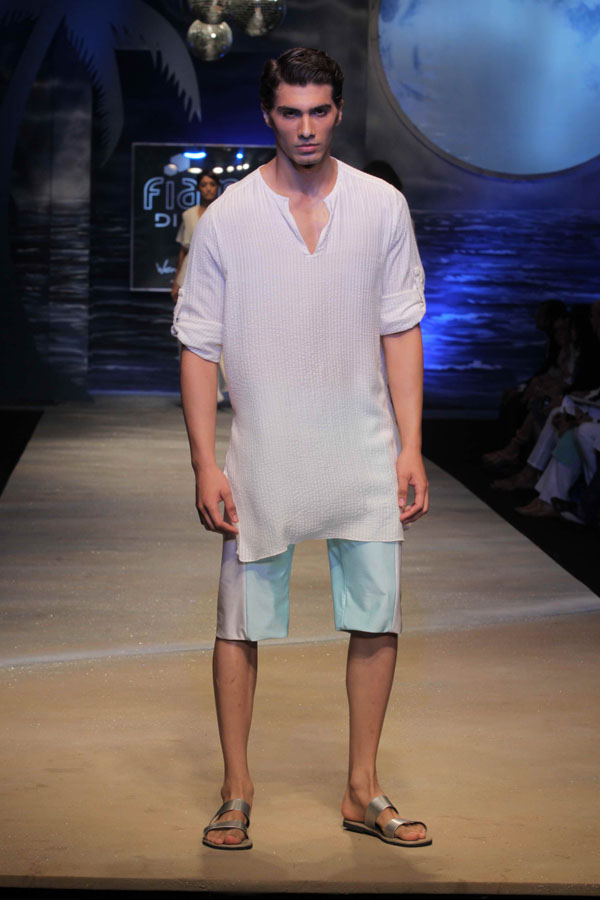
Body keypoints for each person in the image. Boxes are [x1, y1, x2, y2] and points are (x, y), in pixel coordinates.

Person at [172, 47, 430, 851]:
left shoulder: (382, 206)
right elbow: (198, 345)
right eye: (291, 112)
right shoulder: (229, 218)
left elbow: (401, 329)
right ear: (268, 115)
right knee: (238, 622)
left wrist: (411, 447)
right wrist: (205, 462)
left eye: (319, 111)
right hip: (266, 449)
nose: (307, 127)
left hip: (363, 443)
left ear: (338, 111)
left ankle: (362, 788)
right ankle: (235, 790)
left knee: (377, 615)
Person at [171, 172, 219, 303]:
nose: (208, 188)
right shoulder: (188, 215)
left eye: (212, 184)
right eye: (204, 185)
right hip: (189, 270)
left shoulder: (225, 212)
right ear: (198, 188)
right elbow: (183, 250)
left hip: (216, 271)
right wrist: (176, 281)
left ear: (217, 186)